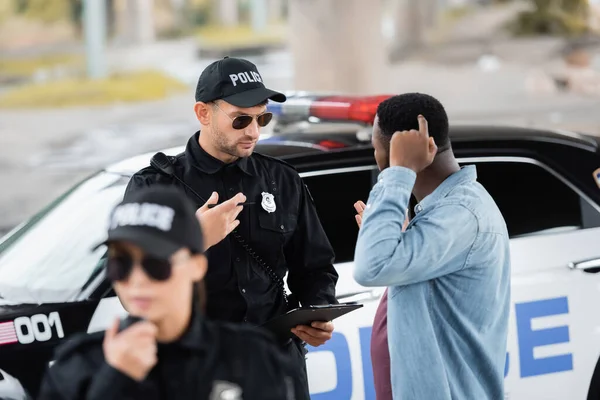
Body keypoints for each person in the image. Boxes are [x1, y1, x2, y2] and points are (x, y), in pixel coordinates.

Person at [124, 56, 339, 398]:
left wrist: (317, 312)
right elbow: (130, 292)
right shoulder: (155, 187)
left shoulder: (282, 180)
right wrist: (190, 240)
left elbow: (315, 268)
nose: (254, 131)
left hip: (274, 366)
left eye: (262, 118)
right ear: (203, 113)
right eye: (241, 120)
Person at [37, 185, 304, 400]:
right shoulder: (79, 364)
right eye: (121, 264)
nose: (137, 280)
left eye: (157, 264)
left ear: (197, 266)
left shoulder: (249, 356)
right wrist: (117, 380)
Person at [353, 93, 511, 400]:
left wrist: (398, 173)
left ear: (398, 153)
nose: (376, 157)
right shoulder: (441, 212)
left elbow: (371, 267)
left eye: (375, 148)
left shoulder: (461, 213)